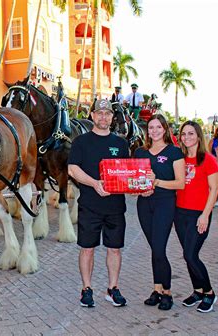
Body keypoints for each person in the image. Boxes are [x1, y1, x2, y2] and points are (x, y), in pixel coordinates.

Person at [68, 99, 130, 308]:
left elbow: (128, 173)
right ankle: (86, 289)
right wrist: (95, 183)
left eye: (108, 114)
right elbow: (72, 169)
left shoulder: (121, 144)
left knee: (114, 249)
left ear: (112, 118)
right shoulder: (81, 142)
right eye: (99, 113)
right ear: (92, 116)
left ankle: (113, 289)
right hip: (89, 206)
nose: (103, 117)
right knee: (87, 249)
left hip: (115, 207)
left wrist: (143, 184)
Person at [134, 114, 185, 310]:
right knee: (154, 248)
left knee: (159, 248)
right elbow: (134, 180)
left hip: (165, 203)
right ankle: (156, 289)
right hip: (144, 204)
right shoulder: (140, 152)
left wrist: (156, 182)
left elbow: (179, 183)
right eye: (151, 127)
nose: (154, 131)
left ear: (165, 129)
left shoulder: (174, 152)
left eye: (158, 127)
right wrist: (140, 188)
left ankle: (167, 293)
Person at [175, 120, 218, 313]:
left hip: (198, 214)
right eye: (184, 134)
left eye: (191, 133)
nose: (187, 137)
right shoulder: (180, 158)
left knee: (190, 255)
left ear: (198, 136)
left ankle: (209, 293)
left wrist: (205, 215)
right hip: (180, 213)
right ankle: (197, 290)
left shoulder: (208, 159)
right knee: (188, 255)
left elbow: (214, 188)